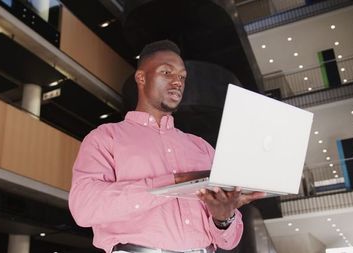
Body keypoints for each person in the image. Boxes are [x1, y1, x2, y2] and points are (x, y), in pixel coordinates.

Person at [68, 40, 265, 253]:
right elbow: (84, 208)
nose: (177, 82)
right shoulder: (105, 137)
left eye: (182, 76)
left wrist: (223, 217)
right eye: (166, 72)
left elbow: (229, 241)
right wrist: (174, 183)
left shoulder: (202, 147)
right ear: (141, 77)